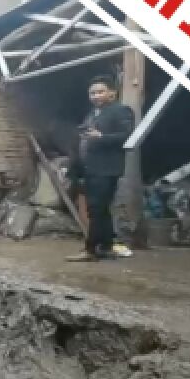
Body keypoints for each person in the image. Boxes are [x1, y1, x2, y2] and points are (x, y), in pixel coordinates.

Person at [66, 74, 135, 262]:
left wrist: (101, 136)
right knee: (100, 210)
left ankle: (90, 250)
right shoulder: (93, 114)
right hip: (91, 168)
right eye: (92, 93)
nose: (96, 96)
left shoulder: (121, 110)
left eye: (100, 92)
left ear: (112, 92)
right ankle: (105, 246)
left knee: (96, 210)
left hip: (106, 168)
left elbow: (126, 136)